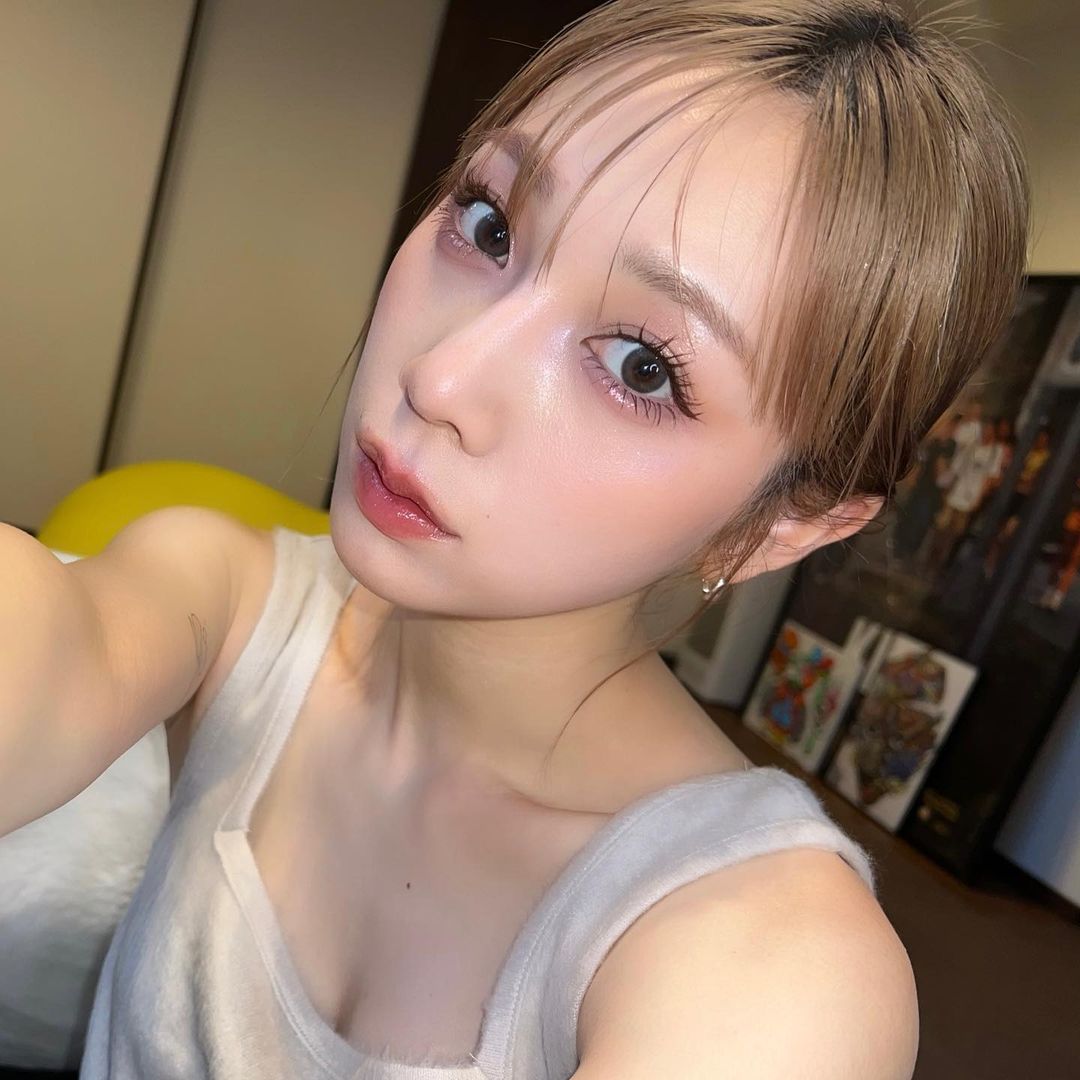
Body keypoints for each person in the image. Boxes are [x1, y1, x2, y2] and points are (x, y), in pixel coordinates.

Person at [1, 2, 1029, 1077]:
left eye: (641, 367)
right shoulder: (230, 597)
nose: (440, 379)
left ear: (786, 522)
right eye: (489, 225)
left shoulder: (772, 957)